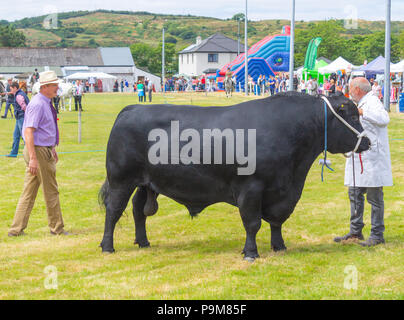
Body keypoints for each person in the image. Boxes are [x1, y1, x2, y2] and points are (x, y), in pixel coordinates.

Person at [8, 71, 70, 237]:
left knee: (29, 191)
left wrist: (52, 148)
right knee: (51, 190)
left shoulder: (45, 102)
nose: (58, 87)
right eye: (54, 84)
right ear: (45, 87)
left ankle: (16, 229)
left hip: (42, 149)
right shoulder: (38, 104)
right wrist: (34, 158)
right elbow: (28, 132)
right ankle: (57, 228)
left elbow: (43, 129)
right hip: (37, 150)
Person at [334, 77, 392, 247]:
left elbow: (384, 119)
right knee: (354, 194)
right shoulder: (359, 103)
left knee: (374, 198)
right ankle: (355, 230)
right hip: (358, 156)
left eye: (351, 88)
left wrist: (362, 113)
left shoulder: (372, 102)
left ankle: (377, 234)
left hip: (373, 158)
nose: (349, 91)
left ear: (358, 89)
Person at [6, 82, 29, 158]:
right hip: (19, 118)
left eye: (11, 89)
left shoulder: (19, 95)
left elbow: (24, 107)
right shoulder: (19, 93)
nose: (11, 91)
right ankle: (13, 153)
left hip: (22, 118)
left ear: (15, 88)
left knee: (25, 136)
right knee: (16, 136)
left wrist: (28, 117)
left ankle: (29, 153)